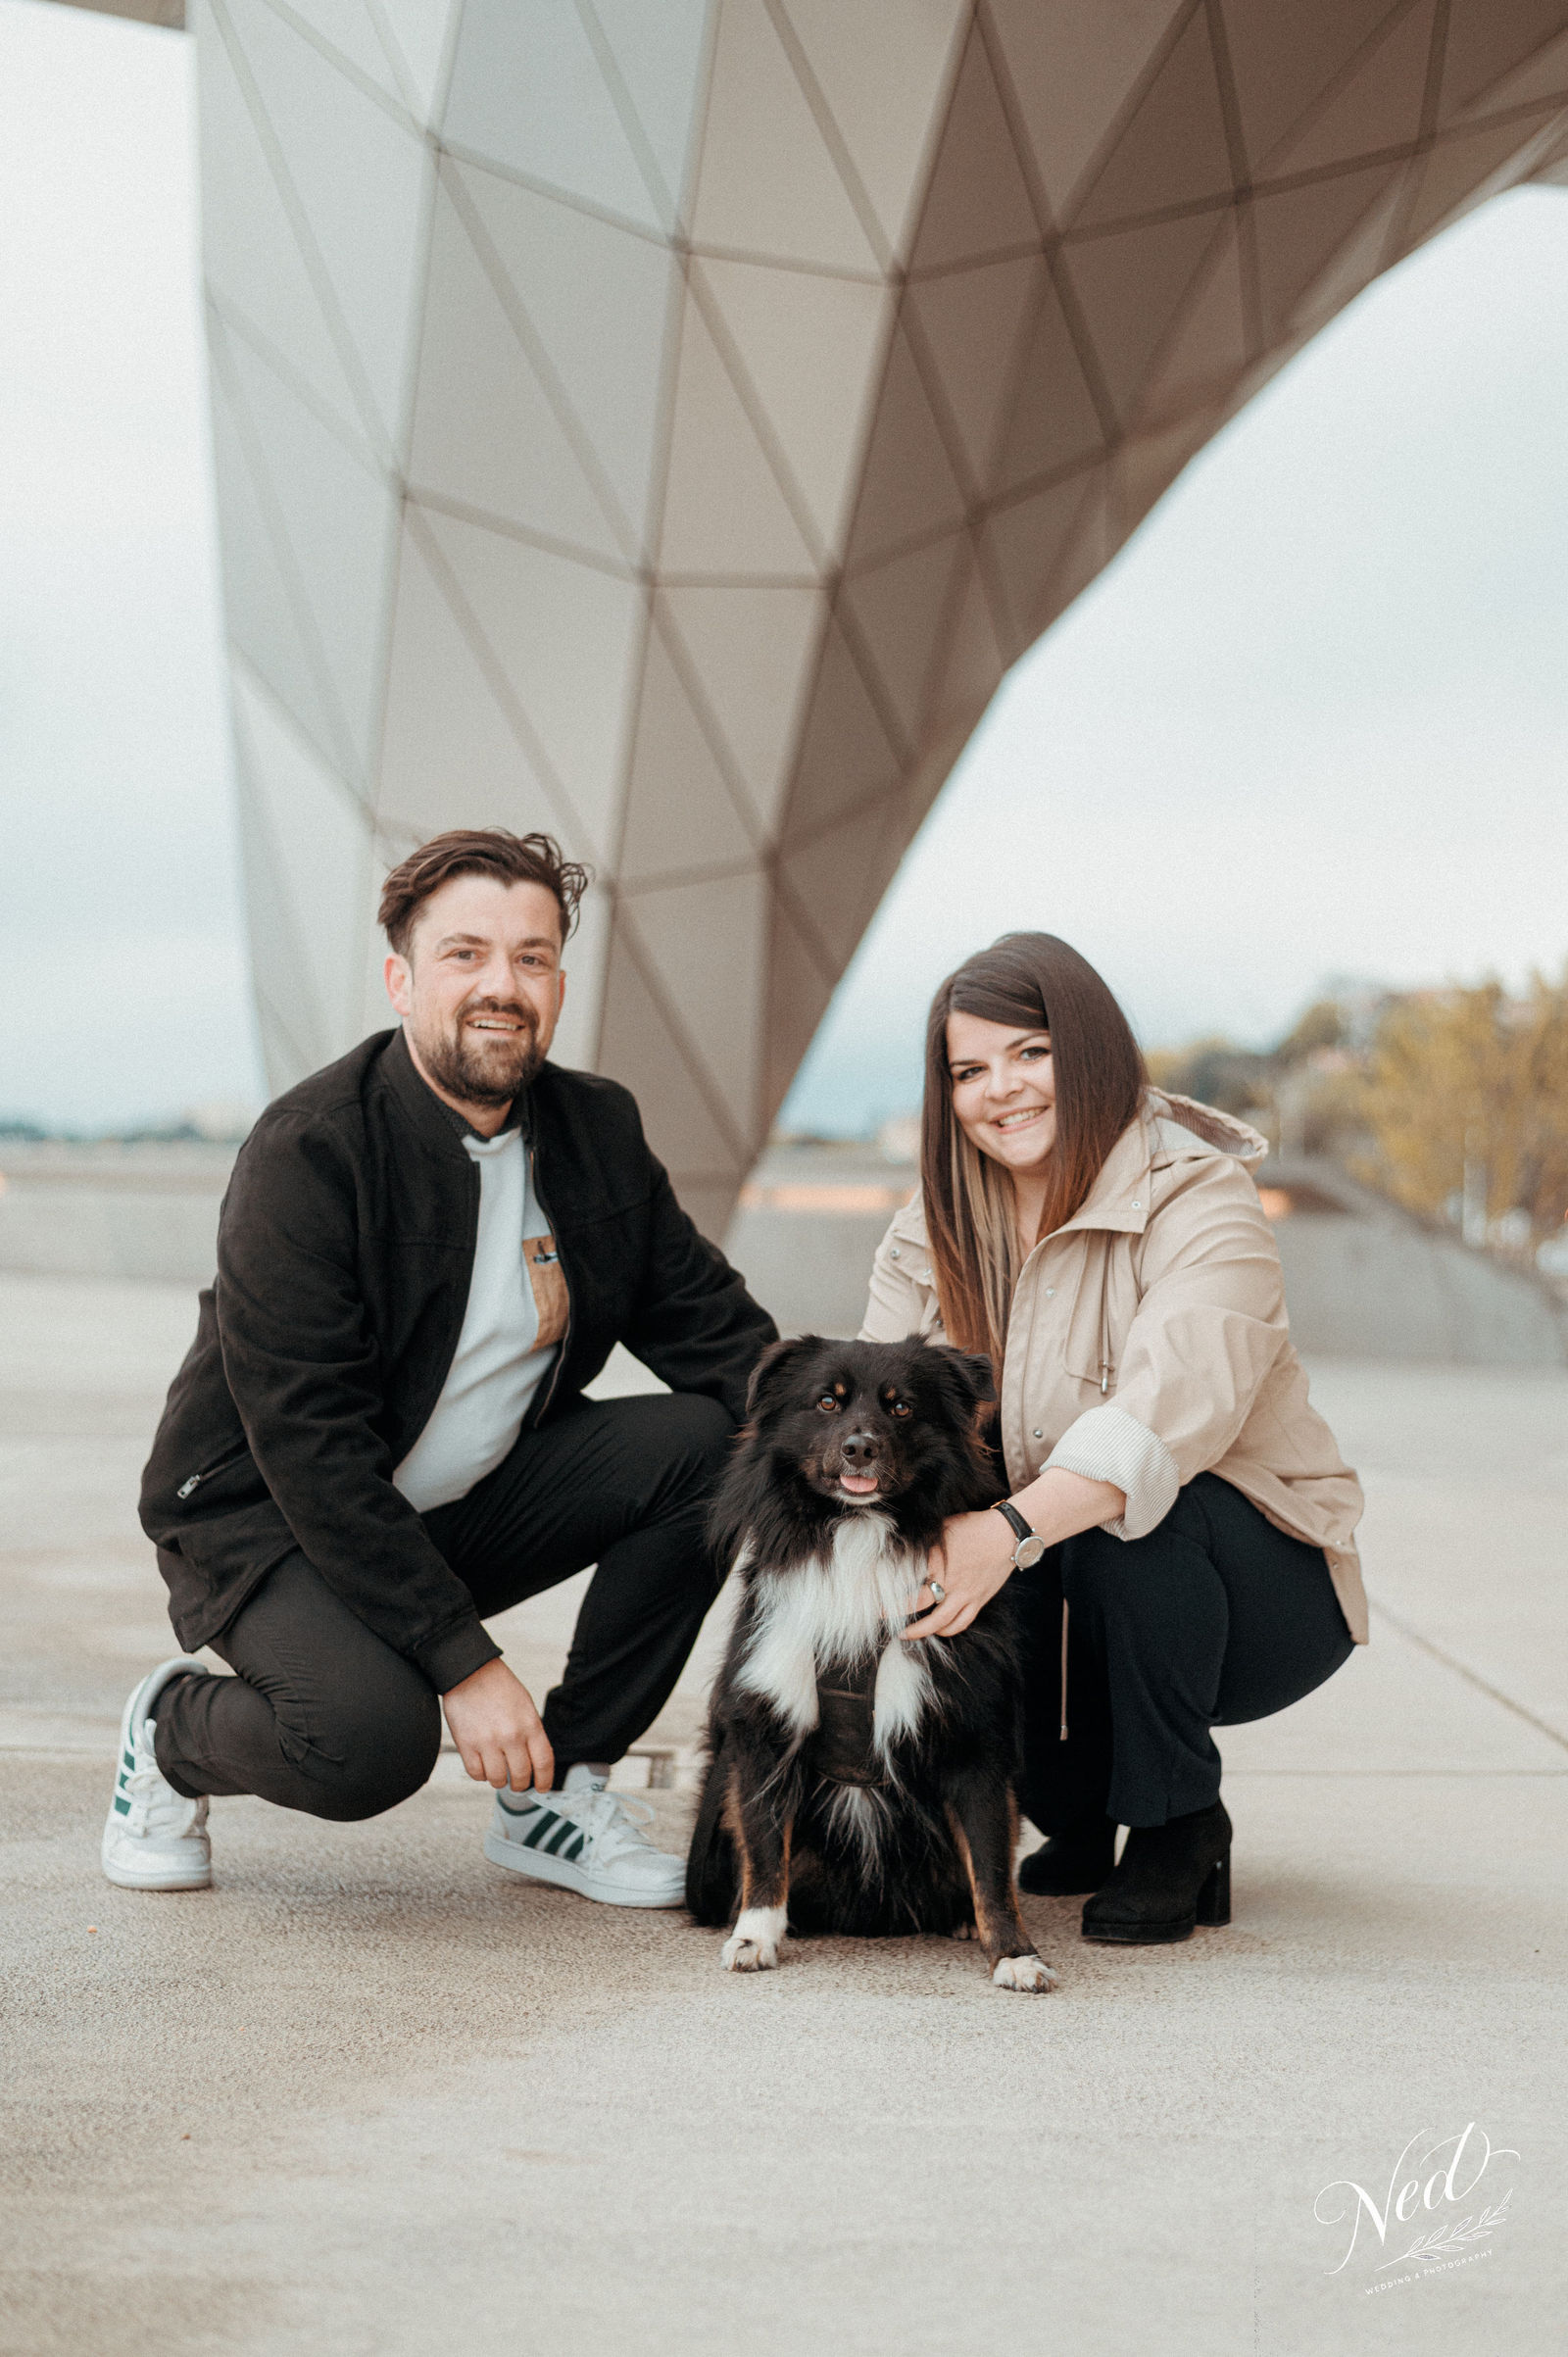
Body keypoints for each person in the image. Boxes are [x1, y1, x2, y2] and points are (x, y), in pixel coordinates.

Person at [105, 828, 776, 1907]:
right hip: (266, 1518)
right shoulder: (310, 1152)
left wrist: (886, 1457)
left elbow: (723, 1338)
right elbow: (309, 1445)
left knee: (713, 1443)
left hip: (461, 1499)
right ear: (401, 977)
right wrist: (463, 1660)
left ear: (559, 978)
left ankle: (559, 1791)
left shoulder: (596, 1126)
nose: (500, 986)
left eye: (531, 955)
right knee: (369, 1742)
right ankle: (169, 1728)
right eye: (465, 953)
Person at [860, 933, 1365, 1944]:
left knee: (1131, 1512)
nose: (999, 1087)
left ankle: (1180, 1820)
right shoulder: (935, 1224)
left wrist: (999, 1530)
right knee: (967, 1542)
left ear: (1087, 1048)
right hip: (1057, 1555)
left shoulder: (1198, 1195)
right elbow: (885, 1412)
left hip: (1253, 1585)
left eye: (1029, 1052)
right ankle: (1081, 1809)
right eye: (968, 1069)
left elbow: (1156, 1421)